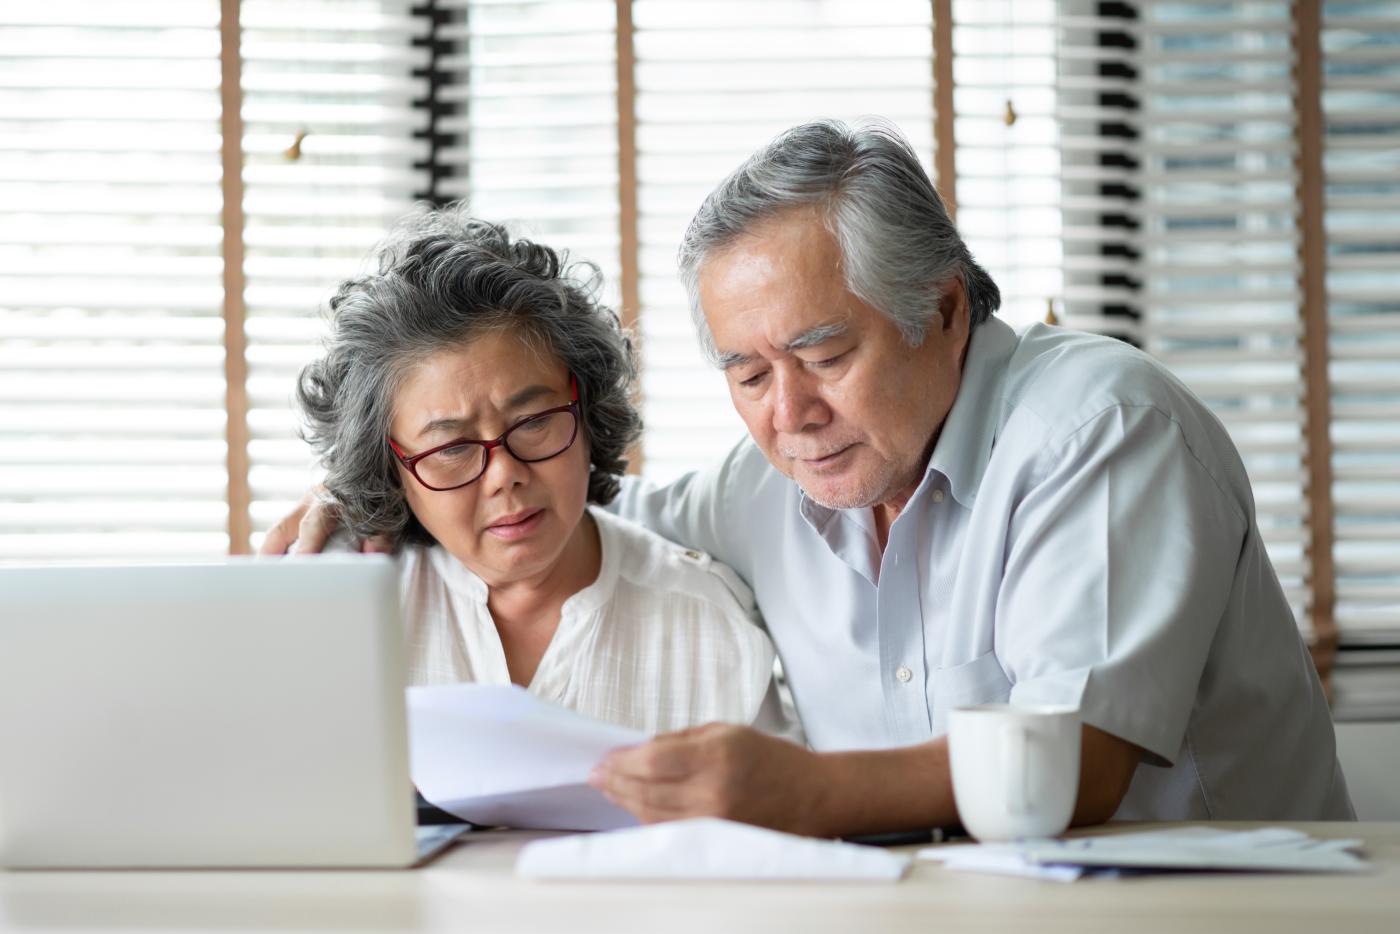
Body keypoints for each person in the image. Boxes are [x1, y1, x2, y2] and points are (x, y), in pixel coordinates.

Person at [268, 120, 1353, 834]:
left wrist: (798, 793)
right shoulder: (772, 481)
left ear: (941, 309)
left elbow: (1078, 765)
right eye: (745, 372)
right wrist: (373, 498)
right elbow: (571, 506)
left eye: (824, 355)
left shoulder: (1099, 427)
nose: (787, 416)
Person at [293, 205, 794, 737]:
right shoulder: (344, 610)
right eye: (451, 447)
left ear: (586, 409)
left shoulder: (705, 623)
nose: (503, 474)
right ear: (392, 466)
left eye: (533, 422)